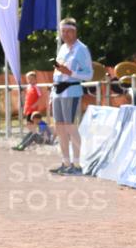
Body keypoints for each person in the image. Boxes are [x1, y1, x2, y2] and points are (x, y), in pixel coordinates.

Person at [49, 18, 93, 175]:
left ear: (75, 32)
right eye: (63, 31)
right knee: (60, 128)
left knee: (71, 127)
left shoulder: (81, 49)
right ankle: (65, 162)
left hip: (72, 91)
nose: (65, 34)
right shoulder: (62, 49)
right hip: (57, 91)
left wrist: (71, 73)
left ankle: (78, 164)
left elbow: (89, 75)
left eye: (68, 31)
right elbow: (58, 71)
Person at [13, 71, 47, 151]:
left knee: (32, 127)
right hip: (28, 110)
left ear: (35, 79)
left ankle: (28, 142)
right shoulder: (28, 87)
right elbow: (27, 99)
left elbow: (40, 96)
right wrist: (25, 108)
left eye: (32, 79)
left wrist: (35, 104)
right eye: (28, 79)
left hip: (33, 111)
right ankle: (25, 142)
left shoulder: (36, 87)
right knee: (29, 126)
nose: (30, 81)